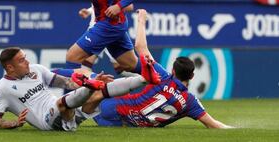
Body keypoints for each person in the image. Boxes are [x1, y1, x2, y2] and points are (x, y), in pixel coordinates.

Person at [93, 9, 233, 128]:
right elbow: (214, 125)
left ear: (173, 71)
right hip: (133, 124)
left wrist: (141, 20)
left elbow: (140, 47)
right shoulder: (190, 102)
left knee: (92, 85)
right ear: (192, 76)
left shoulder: (161, 77)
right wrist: (236, 128)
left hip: (110, 109)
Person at [0, 46, 160, 131]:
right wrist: (13, 123)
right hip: (46, 120)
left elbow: (65, 83)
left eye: (25, 58)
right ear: (10, 68)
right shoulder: (3, 88)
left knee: (99, 92)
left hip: (64, 112)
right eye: (21, 61)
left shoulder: (36, 69)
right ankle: (88, 89)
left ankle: (144, 78)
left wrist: (83, 84)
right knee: (62, 103)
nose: (27, 62)